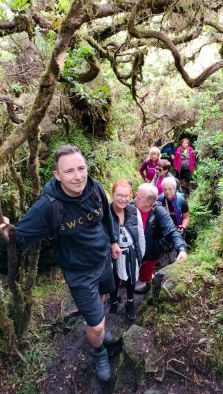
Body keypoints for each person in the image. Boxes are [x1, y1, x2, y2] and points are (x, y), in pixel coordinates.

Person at [0, 144, 121, 383]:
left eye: (81, 168)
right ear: (57, 175)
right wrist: (4, 231)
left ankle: (99, 325)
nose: (78, 176)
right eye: (69, 171)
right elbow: (19, 237)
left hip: (103, 259)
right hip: (79, 273)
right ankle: (99, 350)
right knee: (95, 326)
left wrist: (114, 242)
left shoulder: (95, 187)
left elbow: (106, 216)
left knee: (103, 297)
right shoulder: (49, 206)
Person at [134, 183, 187, 294]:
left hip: (150, 251)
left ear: (149, 202)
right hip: (133, 249)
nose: (134, 199)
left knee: (145, 274)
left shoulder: (158, 211)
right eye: (135, 196)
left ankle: (149, 285)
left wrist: (181, 249)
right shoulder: (131, 208)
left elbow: (172, 230)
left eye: (138, 198)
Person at [109, 179, 145, 321]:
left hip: (131, 252)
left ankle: (130, 302)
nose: (122, 199)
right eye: (119, 195)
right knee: (113, 279)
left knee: (131, 278)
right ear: (112, 195)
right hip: (113, 254)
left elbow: (140, 234)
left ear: (130, 197)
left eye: (126, 196)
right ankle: (113, 302)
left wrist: (140, 255)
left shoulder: (134, 211)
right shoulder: (106, 213)